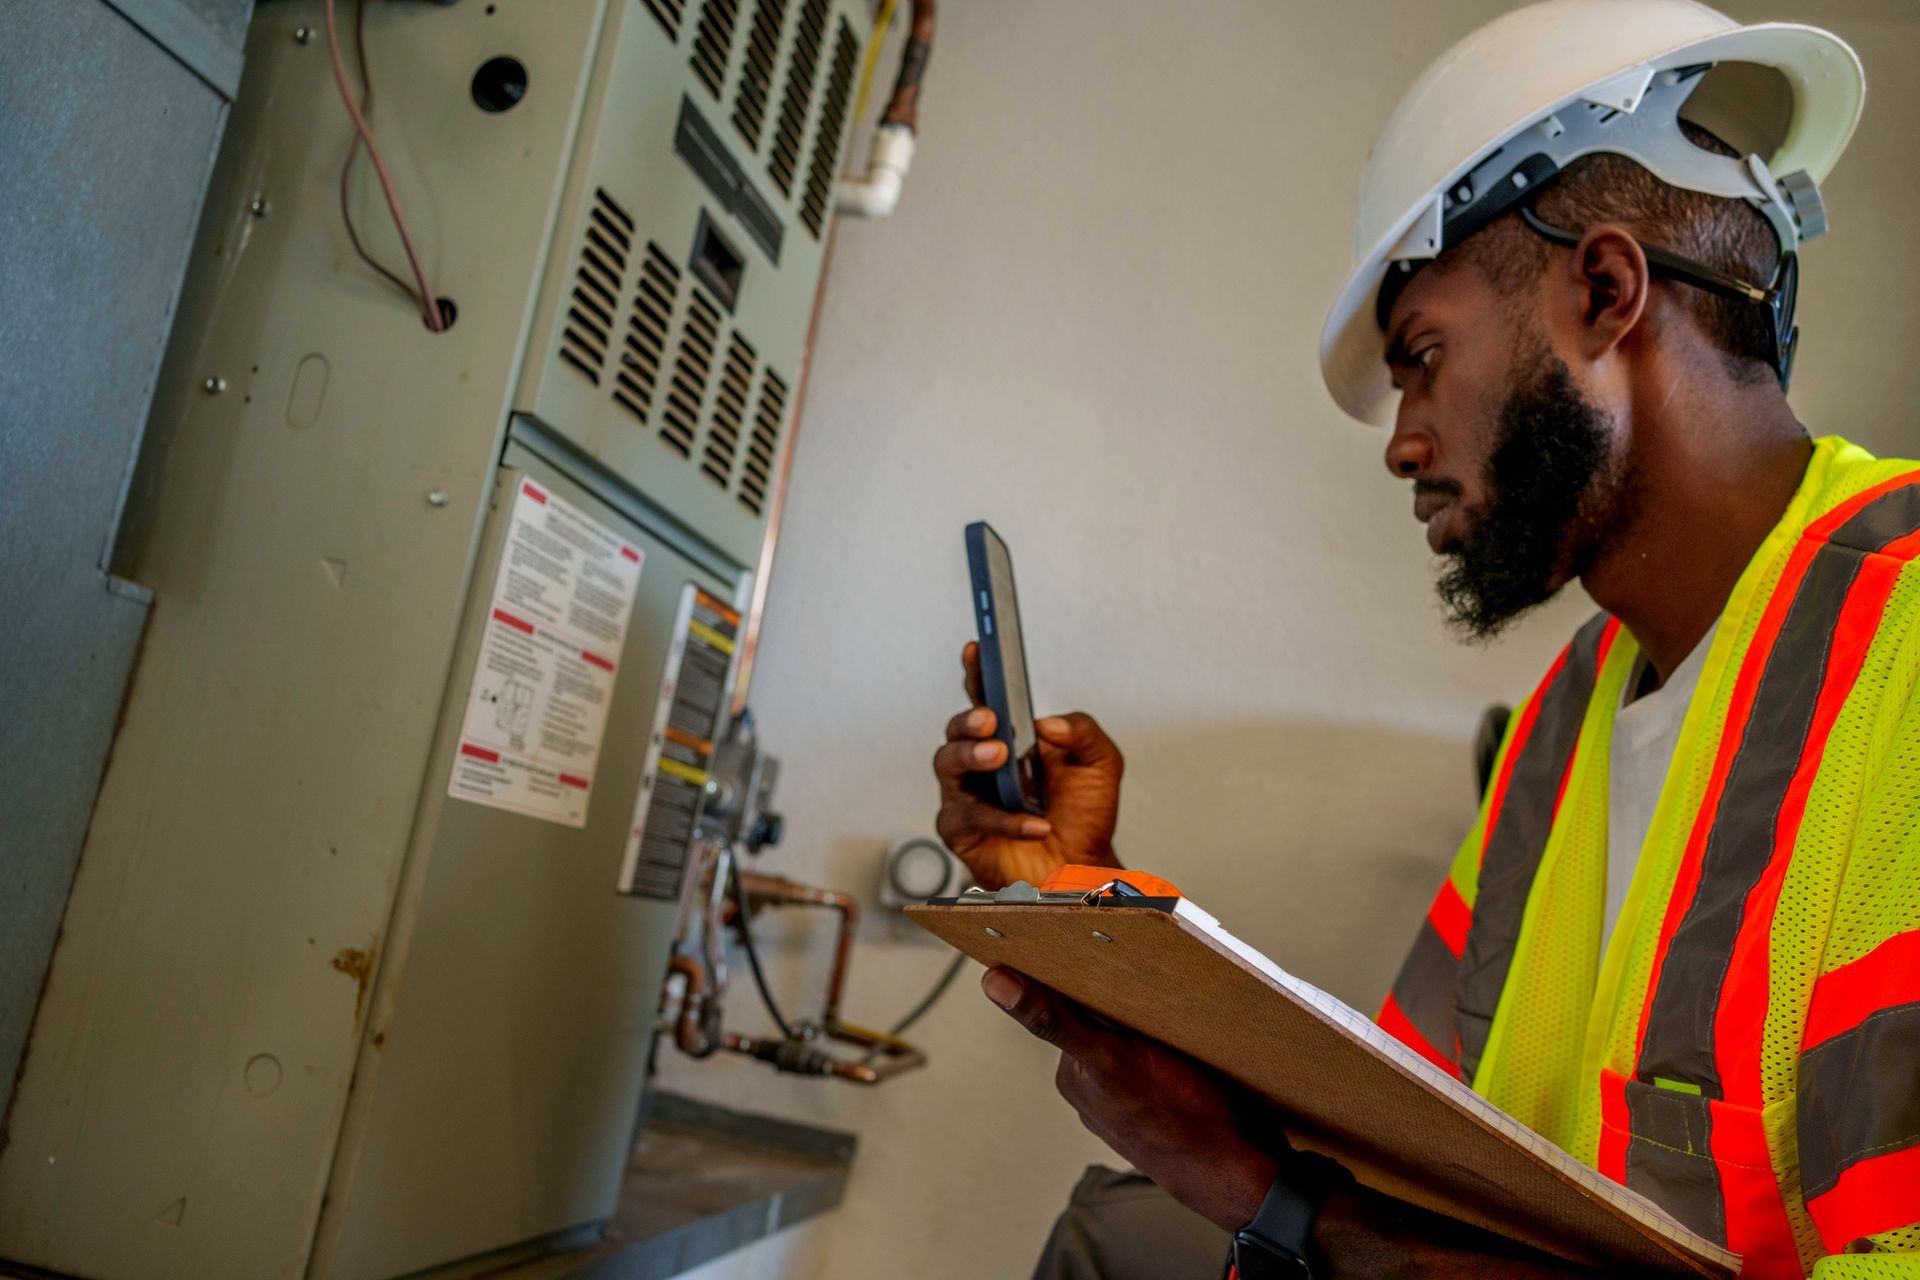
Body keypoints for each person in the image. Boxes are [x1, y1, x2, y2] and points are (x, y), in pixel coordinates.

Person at [930, 3, 1920, 1277]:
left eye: (1422, 358)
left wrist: (1271, 1200)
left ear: (1604, 292)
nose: (1401, 440)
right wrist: (1087, 901)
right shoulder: (1571, 712)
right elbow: (1414, 1141)